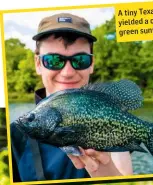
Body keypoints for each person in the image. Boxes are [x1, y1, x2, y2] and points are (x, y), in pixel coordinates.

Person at [11, 12, 133, 182]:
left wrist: (106, 172)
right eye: (54, 60)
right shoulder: (15, 134)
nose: (67, 73)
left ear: (92, 64)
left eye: (80, 60)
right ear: (38, 64)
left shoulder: (109, 115)